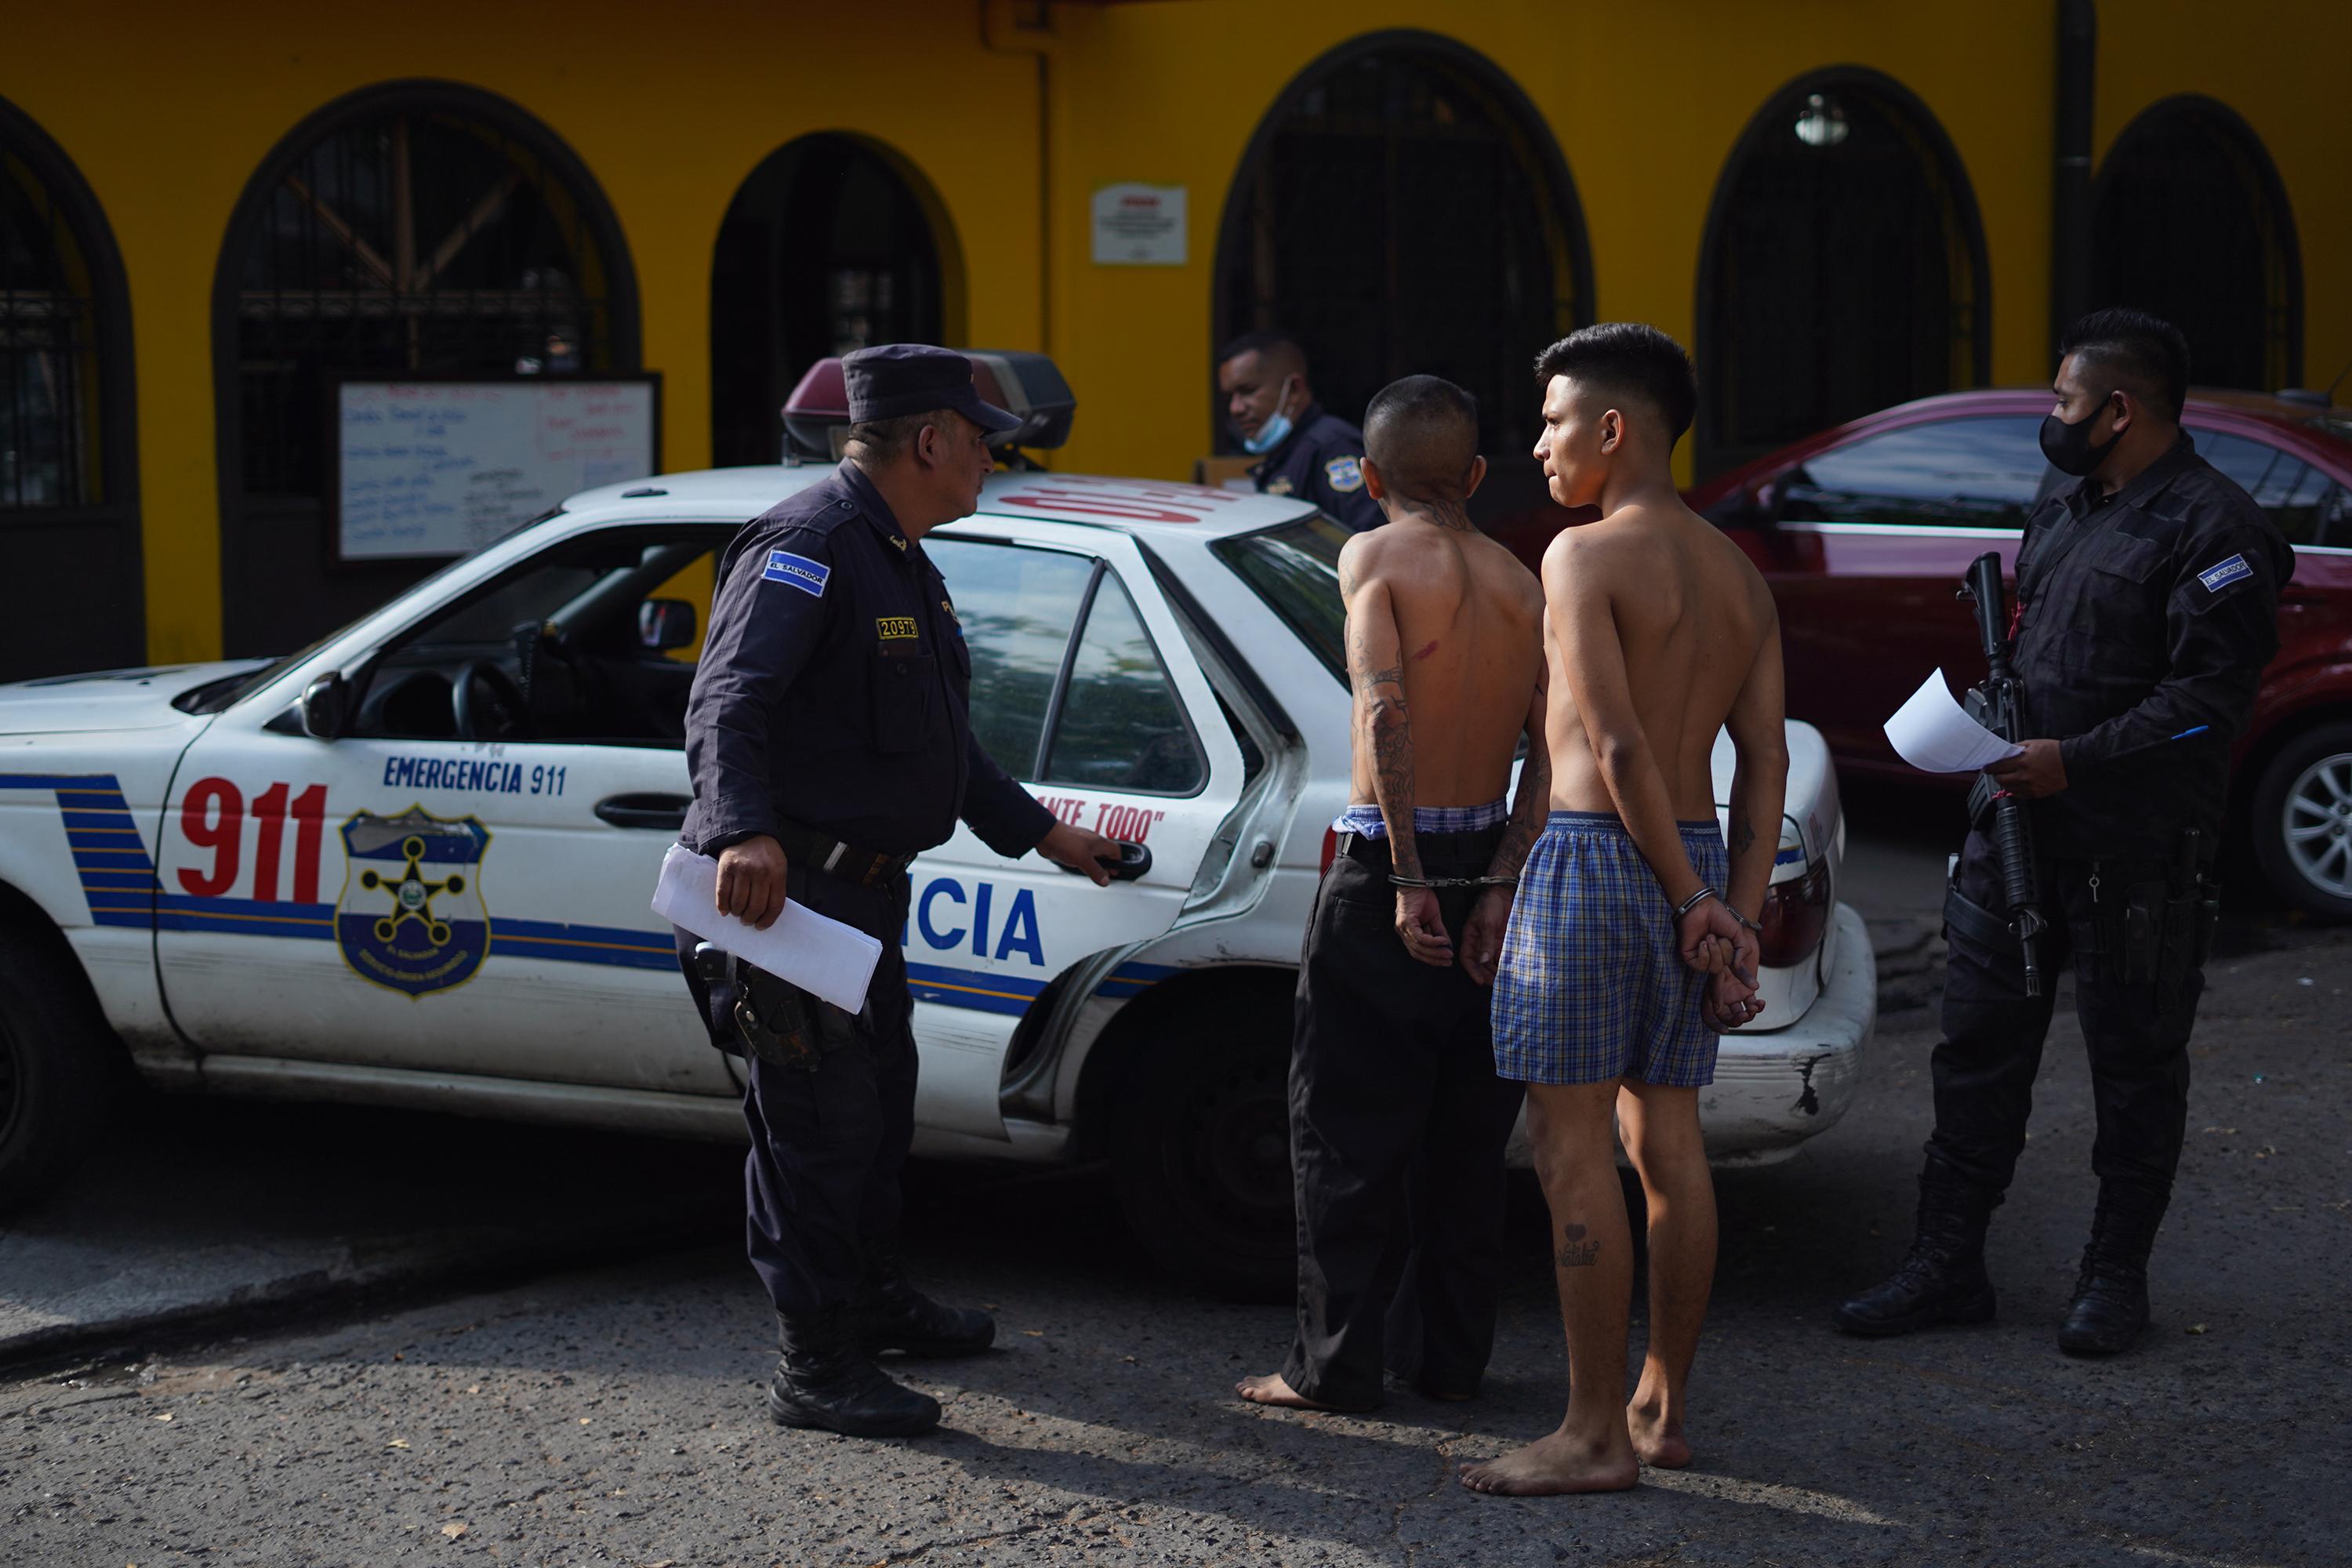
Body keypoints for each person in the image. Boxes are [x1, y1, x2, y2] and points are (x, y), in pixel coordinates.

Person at [675, 343, 1122, 1439]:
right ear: (930, 441)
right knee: (816, 1132)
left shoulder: (900, 559)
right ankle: (816, 1366)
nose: (991, 464)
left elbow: (941, 747)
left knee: (873, 1117)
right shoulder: (810, 545)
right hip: (792, 909)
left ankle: (870, 1301)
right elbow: (727, 699)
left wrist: (1048, 834)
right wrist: (742, 829)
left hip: (862, 905)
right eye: (981, 444)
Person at [1836, 309, 2291, 1357]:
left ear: (2119, 409)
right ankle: (1947, 1264)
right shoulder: (2069, 503)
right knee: (1976, 1057)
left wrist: (2071, 759)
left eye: (2062, 401)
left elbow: (2206, 703)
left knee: (2135, 1071)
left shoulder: (2217, 529)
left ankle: (2112, 1281)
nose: (2052, 416)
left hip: (2134, 853)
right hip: (2014, 835)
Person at [1461, 324, 1785, 1497]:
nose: (1538, 445)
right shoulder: (1740, 576)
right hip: (1696, 852)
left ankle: (1593, 1436)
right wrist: (1730, 912)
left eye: (1551, 421)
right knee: (1671, 1141)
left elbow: (1612, 741)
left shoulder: (1580, 558)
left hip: (1603, 857)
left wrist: (1693, 900)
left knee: (1569, 1145)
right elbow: (1762, 768)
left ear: (1612, 429)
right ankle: (1661, 1407)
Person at [1235, 375, 1547, 1414]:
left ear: (1366, 479)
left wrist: (1410, 877)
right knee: (1465, 1142)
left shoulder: (1368, 552)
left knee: (1348, 1134)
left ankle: (1334, 1369)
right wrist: (1496, 884)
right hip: (1488, 871)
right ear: (1473, 477)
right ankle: (1449, 1364)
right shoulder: (1521, 580)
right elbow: (1554, 747)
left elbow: (1384, 716)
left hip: (1394, 877)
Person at [1216, 330, 1384, 532]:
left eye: (1248, 391)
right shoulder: (1285, 452)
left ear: (1294, 389)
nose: (1236, 408)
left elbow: (1372, 536)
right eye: (1229, 398)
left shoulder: (1331, 446)